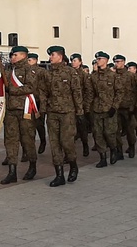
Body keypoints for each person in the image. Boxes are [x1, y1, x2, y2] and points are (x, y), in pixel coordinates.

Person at [39, 46, 84, 187]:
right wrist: (42, 110)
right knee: (54, 144)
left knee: (67, 142)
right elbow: (43, 93)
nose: (50, 57)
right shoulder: (47, 74)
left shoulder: (71, 72)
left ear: (60, 56)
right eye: (50, 55)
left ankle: (73, 165)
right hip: (52, 113)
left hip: (67, 112)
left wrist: (80, 112)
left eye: (52, 55)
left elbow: (76, 92)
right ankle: (59, 175)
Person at [0, 45, 39, 184]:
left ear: (23, 56)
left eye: (15, 55)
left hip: (25, 111)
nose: (12, 57)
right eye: (12, 55)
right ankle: (12, 172)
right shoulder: (8, 71)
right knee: (10, 141)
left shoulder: (29, 70)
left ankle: (32, 165)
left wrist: (13, 90)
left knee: (27, 140)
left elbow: (30, 87)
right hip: (10, 110)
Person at [84, 51, 121, 167]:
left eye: (100, 59)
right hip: (97, 109)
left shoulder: (113, 76)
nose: (98, 61)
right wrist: (87, 108)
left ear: (106, 60)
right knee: (98, 134)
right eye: (97, 59)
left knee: (109, 133)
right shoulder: (93, 77)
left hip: (109, 109)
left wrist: (114, 106)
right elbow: (90, 93)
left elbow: (119, 92)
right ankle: (103, 157)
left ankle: (114, 150)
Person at [114, 54, 137, 158]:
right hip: (116, 107)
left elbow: (135, 92)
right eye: (115, 62)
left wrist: (133, 106)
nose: (117, 64)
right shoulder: (113, 75)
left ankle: (131, 146)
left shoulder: (130, 76)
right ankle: (119, 149)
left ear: (123, 62)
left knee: (129, 129)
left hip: (128, 107)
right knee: (115, 129)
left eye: (119, 62)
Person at [71, 53, 91, 157]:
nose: (73, 63)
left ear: (80, 62)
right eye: (72, 61)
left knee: (82, 129)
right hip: (70, 106)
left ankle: (85, 145)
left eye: (75, 60)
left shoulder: (84, 75)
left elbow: (88, 91)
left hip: (81, 105)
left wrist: (86, 106)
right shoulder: (69, 73)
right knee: (70, 130)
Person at [27, 52, 47, 154]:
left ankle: (43, 140)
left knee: (39, 124)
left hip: (39, 101)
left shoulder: (41, 71)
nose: (28, 62)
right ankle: (29, 150)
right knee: (28, 127)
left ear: (35, 60)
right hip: (28, 102)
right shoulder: (25, 71)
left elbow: (45, 87)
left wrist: (43, 104)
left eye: (30, 60)